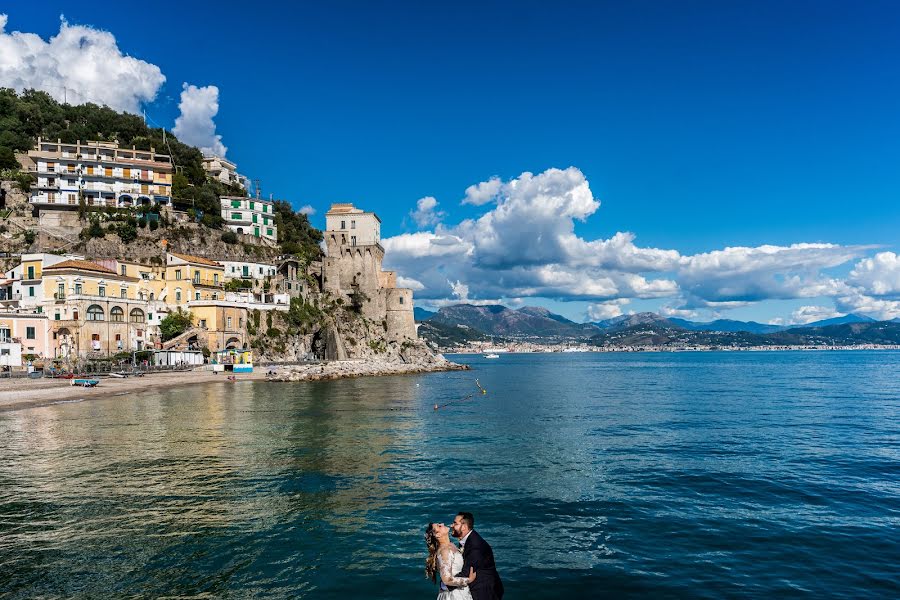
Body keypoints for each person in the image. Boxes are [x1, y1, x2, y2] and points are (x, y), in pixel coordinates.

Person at [451, 512, 504, 600]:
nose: (451, 525)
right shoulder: (467, 539)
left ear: (464, 527)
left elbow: (466, 573)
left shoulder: (475, 546)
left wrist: (445, 584)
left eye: (455, 523)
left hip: (484, 592)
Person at [425, 522, 477, 599]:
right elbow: (446, 580)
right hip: (454, 595)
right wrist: (469, 580)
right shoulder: (445, 551)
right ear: (438, 535)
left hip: (459, 591)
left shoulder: (450, 545)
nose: (442, 524)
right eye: (439, 526)